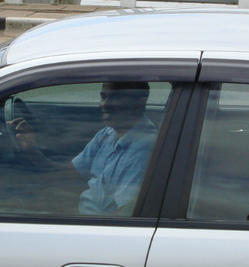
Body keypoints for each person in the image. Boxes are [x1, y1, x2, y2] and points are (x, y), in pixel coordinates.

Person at [9, 82, 155, 216]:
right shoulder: (106, 134)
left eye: (116, 98)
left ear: (139, 101)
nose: (105, 104)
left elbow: (124, 217)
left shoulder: (144, 148)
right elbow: (65, 175)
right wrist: (31, 148)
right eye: (103, 97)